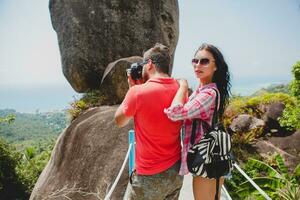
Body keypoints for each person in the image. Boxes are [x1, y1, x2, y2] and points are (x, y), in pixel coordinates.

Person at [114, 43, 183, 200]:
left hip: (149, 177)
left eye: (144, 65)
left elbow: (119, 121)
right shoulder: (180, 88)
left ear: (150, 64)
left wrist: (131, 90)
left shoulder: (137, 93)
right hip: (176, 171)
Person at [164, 43, 231, 200]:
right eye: (195, 60)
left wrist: (183, 86)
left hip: (207, 159)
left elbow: (175, 113)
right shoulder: (201, 91)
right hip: (206, 157)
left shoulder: (209, 94)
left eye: (205, 61)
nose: (198, 65)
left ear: (216, 67)